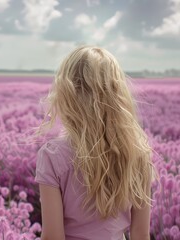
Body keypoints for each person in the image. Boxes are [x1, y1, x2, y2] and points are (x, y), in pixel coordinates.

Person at [33, 45, 157, 240]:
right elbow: (141, 235)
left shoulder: (53, 155)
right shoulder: (137, 154)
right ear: (118, 96)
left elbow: (52, 237)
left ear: (66, 95)